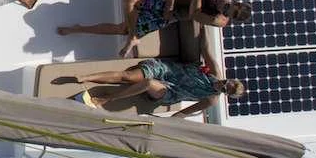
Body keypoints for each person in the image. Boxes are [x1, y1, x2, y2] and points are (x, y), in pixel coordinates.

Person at [57, 0, 251, 57]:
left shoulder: (219, 20)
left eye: (228, 14)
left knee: (120, 29)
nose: (225, 10)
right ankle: (133, 36)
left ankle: (78, 28)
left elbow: (195, 14)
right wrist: (169, 2)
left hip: (169, 16)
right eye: (229, 8)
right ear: (235, 1)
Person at [78, 51, 244, 119]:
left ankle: (107, 99)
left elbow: (184, 112)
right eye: (225, 82)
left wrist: (167, 123)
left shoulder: (211, 99)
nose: (221, 85)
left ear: (224, 93)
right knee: (128, 76)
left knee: (149, 84)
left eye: (224, 89)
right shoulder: (214, 70)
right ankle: (86, 77)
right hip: (165, 70)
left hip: (169, 91)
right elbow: (206, 47)